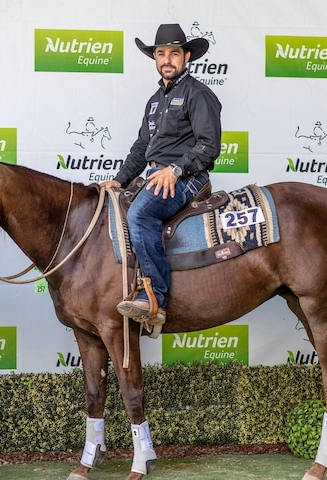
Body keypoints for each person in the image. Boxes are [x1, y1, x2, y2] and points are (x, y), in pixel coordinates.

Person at [100, 23, 222, 333]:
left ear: (187, 56)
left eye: (174, 53)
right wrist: (121, 180)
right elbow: (142, 148)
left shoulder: (199, 94)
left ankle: (154, 298)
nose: (167, 59)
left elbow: (209, 147)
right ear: (155, 58)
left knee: (140, 214)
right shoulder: (154, 100)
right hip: (156, 175)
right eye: (161, 53)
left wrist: (176, 169)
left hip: (186, 178)